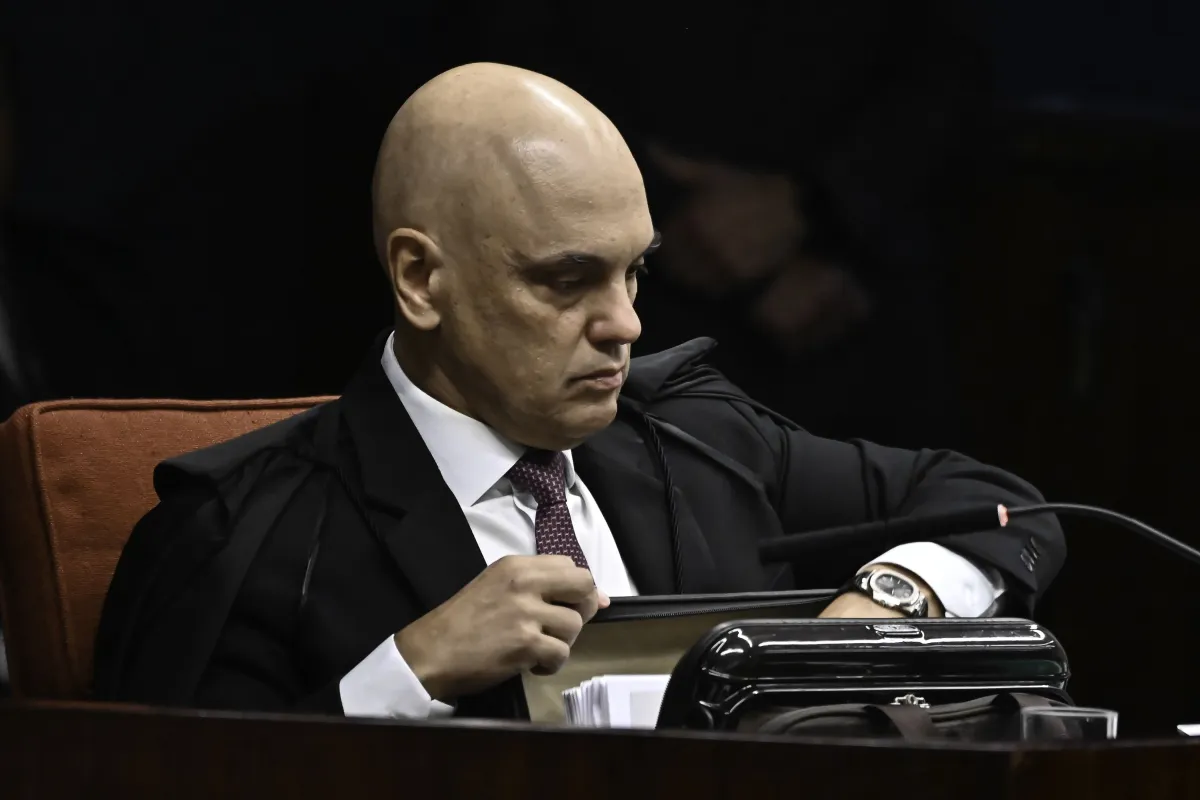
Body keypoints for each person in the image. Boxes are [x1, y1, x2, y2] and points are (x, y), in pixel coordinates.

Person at [93, 63, 1065, 720]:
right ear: (421, 280)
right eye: (568, 281)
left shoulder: (697, 436)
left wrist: (885, 605)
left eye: (634, 272)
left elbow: (1006, 508)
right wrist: (408, 672)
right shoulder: (249, 535)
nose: (625, 324)